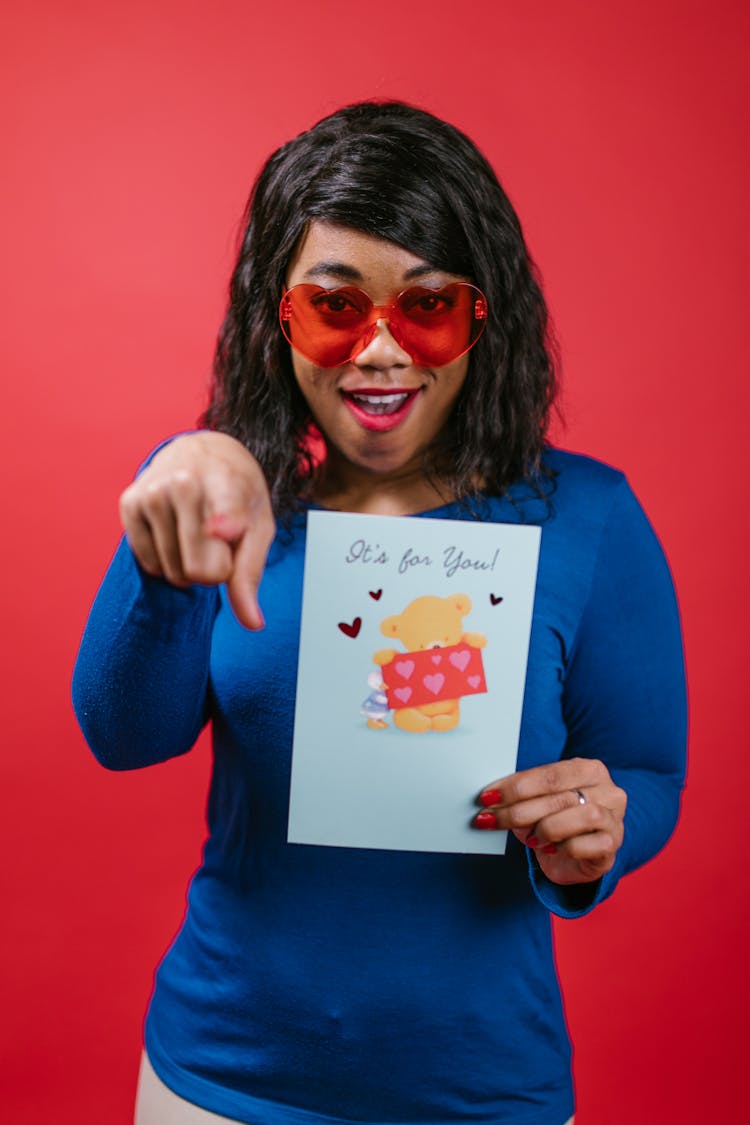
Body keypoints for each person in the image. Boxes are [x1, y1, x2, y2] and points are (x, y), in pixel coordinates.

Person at [72, 101, 687, 1125]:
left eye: (428, 305)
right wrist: (179, 523)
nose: (381, 353)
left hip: (485, 1092)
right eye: (335, 309)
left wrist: (602, 828)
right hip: (222, 1083)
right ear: (277, 318)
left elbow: (649, 773)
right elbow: (125, 738)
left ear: (484, 317)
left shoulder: (591, 520)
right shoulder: (215, 501)